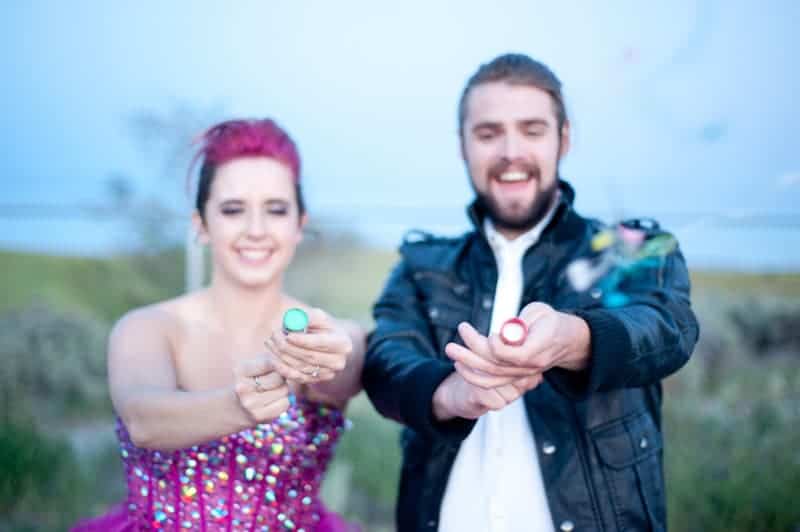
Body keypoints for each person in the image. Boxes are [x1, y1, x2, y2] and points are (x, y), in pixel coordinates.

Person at [362, 53, 699, 532]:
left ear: (564, 138)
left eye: (532, 130)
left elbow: (669, 327)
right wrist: (450, 392)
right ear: (462, 146)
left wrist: (575, 338)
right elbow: (384, 363)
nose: (510, 152)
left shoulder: (630, 251)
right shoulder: (421, 265)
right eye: (488, 133)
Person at [73, 119, 363, 531]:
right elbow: (144, 420)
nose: (256, 230)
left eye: (276, 210)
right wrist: (243, 405)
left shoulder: (325, 335)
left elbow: (345, 364)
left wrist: (336, 351)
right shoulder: (146, 329)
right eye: (232, 210)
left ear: (300, 224)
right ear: (201, 225)